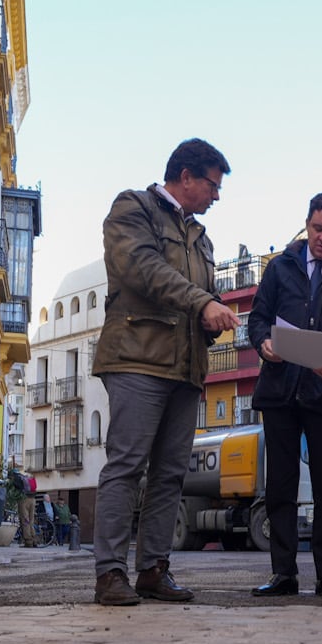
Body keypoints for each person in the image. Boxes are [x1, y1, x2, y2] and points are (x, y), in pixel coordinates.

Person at [90, 139, 240, 606]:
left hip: (185, 366)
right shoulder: (133, 207)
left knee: (171, 473)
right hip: (138, 357)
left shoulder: (202, 238)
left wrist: (217, 322)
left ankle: (154, 568)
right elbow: (142, 269)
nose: (216, 196)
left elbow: (201, 299)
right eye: (213, 186)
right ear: (187, 176)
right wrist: (203, 304)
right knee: (127, 465)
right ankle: (110, 573)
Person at [246, 192, 322, 600]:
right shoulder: (279, 267)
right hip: (279, 390)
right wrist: (264, 345)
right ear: (307, 224)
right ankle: (283, 574)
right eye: (318, 228)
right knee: (280, 487)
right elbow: (259, 319)